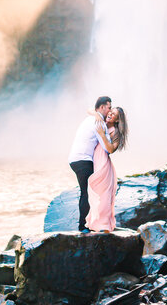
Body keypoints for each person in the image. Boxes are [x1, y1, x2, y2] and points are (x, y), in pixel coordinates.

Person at [68, 96, 112, 233]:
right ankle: (83, 226)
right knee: (86, 193)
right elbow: (107, 147)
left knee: (86, 192)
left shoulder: (88, 119)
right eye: (109, 107)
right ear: (102, 107)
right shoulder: (99, 123)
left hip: (74, 159)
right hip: (83, 160)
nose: (110, 110)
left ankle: (87, 223)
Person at [85, 106, 128, 232]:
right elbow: (88, 110)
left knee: (103, 195)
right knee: (96, 192)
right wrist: (97, 114)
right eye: (111, 111)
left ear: (117, 120)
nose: (110, 114)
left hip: (103, 162)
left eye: (114, 114)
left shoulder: (114, 131)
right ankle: (94, 222)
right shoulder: (102, 121)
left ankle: (104, 225)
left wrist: (102, 135)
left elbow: (110, 149)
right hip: (96, 160)